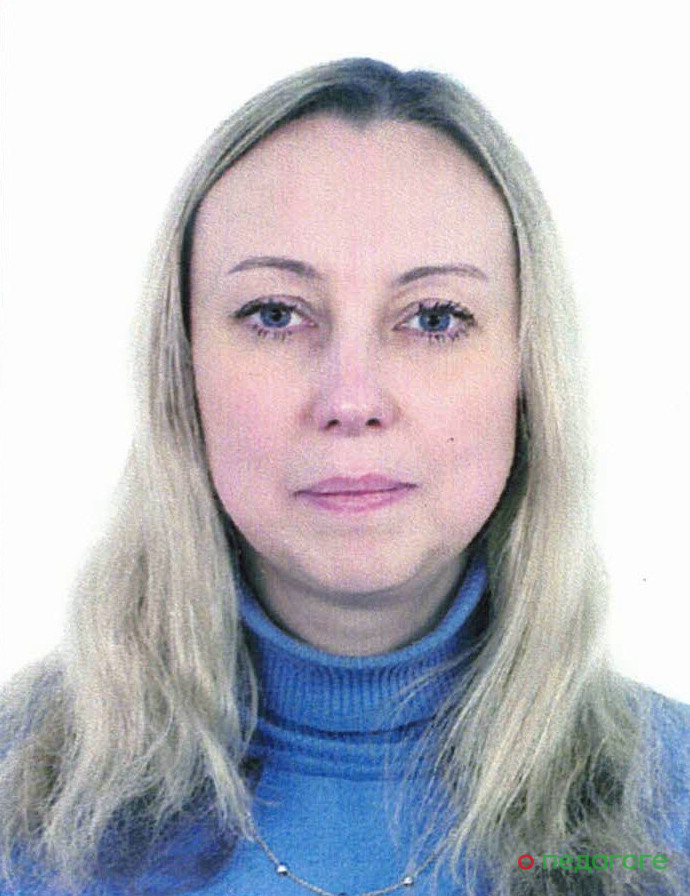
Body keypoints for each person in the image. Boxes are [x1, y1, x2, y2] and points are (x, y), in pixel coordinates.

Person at [1, 57, 688, 896]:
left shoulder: (673, 813)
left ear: (526, 371)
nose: (352, 399)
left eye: (434, 318)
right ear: (182, 370)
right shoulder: (17, 807)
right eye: (275, 314)